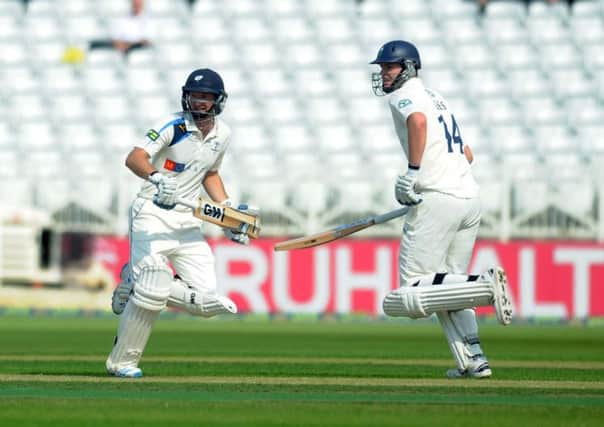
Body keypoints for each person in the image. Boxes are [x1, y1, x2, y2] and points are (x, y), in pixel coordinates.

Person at [370, 40, 513, 378]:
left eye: (389, 67)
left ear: (408, 67)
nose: (384, 74)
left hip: (438, 197)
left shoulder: (404, 97)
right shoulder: (438, 97)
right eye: (382, 69)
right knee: (446, 288)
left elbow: (417, 122)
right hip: (468, 196)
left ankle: (484, 283)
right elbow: (467, 153)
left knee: (412, 289)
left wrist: (414, 174)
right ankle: (474, 360)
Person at [106, 68, 255, 378]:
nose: (200, 102)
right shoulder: (173, 124)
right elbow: (134, 157)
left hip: (187, 222)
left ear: (219, 100)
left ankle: (133, 279)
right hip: (153, 211)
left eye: (207, 97)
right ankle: (122, 363)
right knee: (153, 290)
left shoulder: (222, 134)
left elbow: (210, 174)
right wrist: (157, 178)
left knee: (205, 301)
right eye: (196, 95)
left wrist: (227, 214)